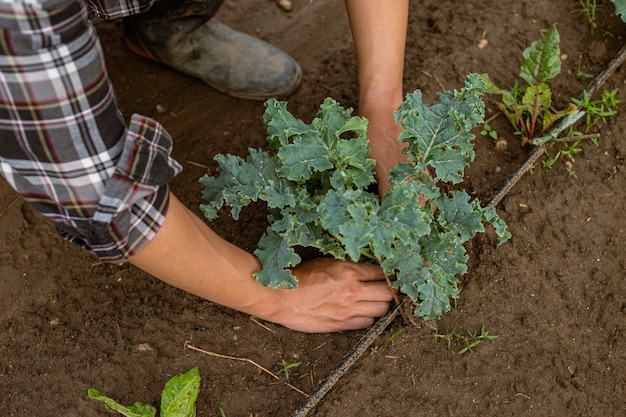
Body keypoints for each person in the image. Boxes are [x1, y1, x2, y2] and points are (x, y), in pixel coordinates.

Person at [0, 0, 408, 333]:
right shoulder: (23, 16)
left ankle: (169, 26)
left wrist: (384, 104)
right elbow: (99, 191)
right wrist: (277, 295)